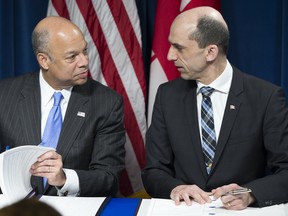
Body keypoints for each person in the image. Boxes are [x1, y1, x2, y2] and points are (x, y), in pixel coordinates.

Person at [142, 6, 288, 210]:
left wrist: (250, 194)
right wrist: (175, 188)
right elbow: (153, 171)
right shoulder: (167, 95)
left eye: (179, 47)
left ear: (211, 52)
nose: (169, 56)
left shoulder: (266, 97)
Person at [0, 16, 125, 197]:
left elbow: (109, 177)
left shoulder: (107, 103)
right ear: (44, 60)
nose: (84, 62)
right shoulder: (4, 95)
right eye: (72, 56)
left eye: (85, 51)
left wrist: (65, 178)